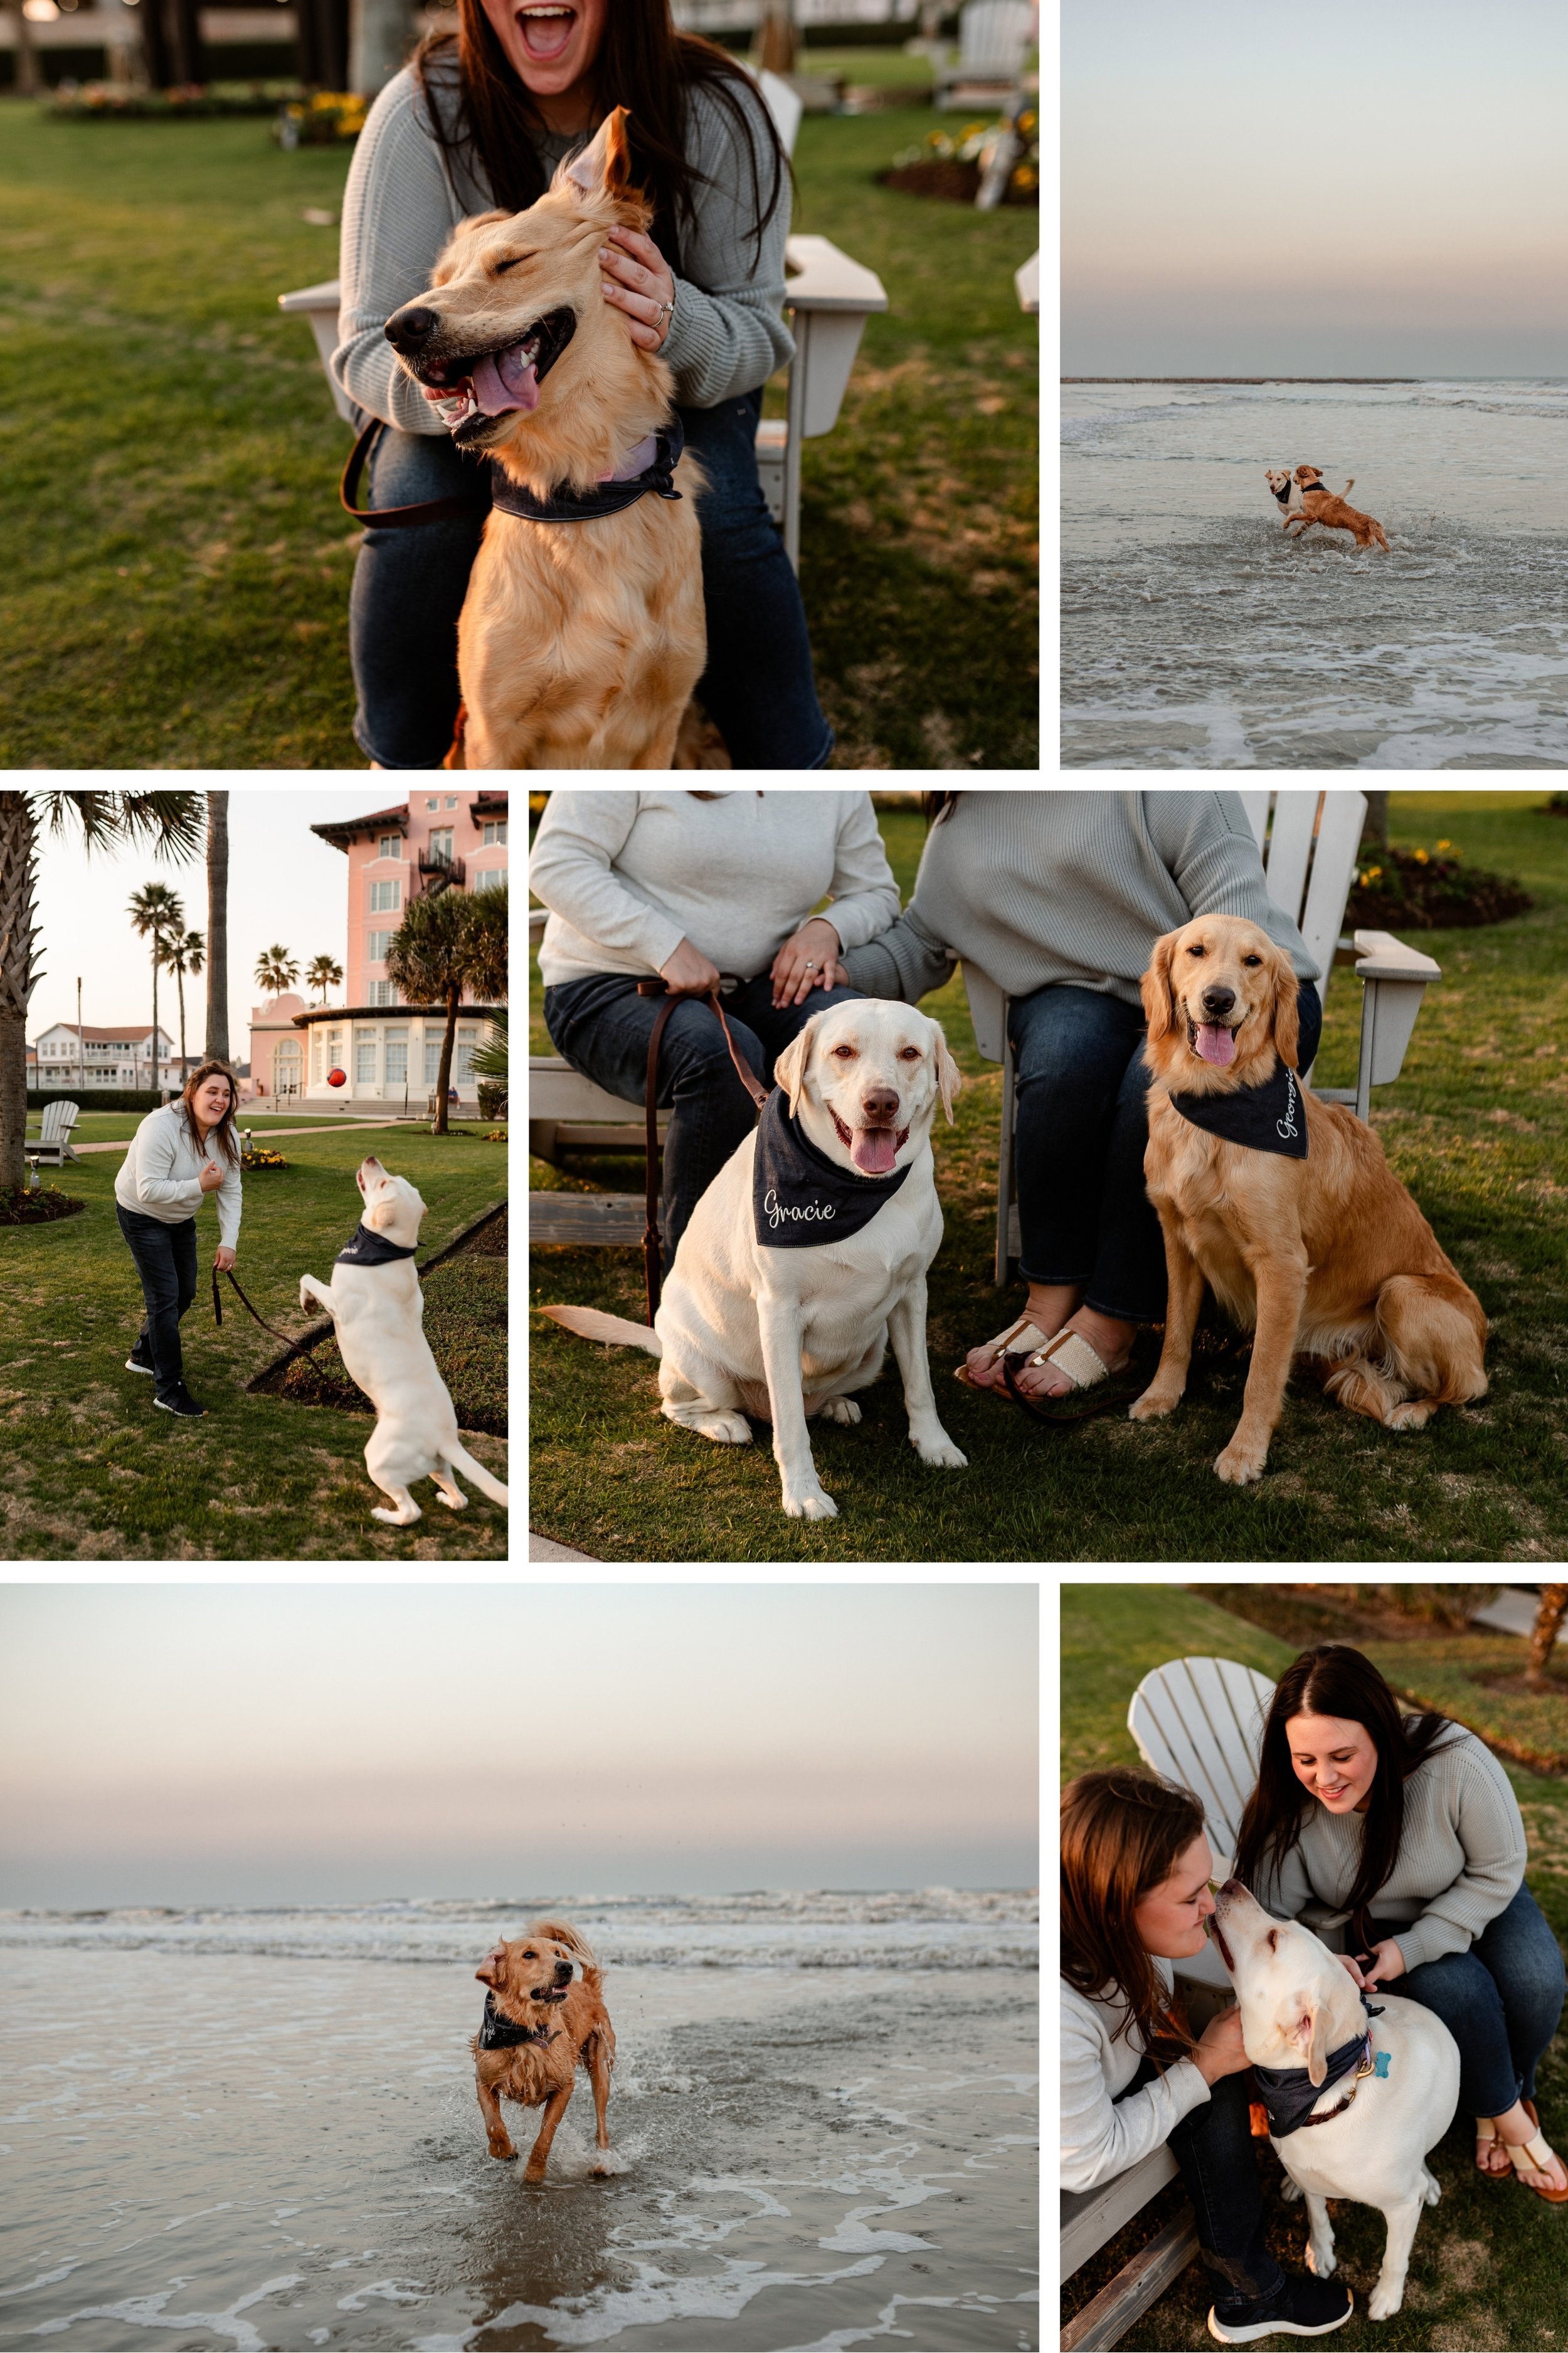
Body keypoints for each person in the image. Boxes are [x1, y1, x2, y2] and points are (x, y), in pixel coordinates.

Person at [334, 0, 832, 771]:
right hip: (458, 396)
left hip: (686, 381)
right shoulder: (418, 112)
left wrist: (673, 319)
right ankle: (398, 760)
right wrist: (469, 391)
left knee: (726, 511)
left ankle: (793, 764)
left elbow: (759, 334)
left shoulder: (716, 107)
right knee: (412, 507)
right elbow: (367, 340)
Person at [837, 790, 1322, 1413]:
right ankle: (1049, 1297)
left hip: (1235, 996)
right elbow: (921, 941)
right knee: (1062, 1064)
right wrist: (825, 966)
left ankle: (1113, 1319)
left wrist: (1187, 1008)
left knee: (1145, 1097)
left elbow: (1234, 929)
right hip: (1082, 996)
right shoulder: (965, 819)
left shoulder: (1165, 782)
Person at [1234, 1643, 1567, 2201]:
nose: (1324, 1778)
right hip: (1373, 1932)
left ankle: (1510, 2088)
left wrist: (1417, 1943)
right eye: (1305, 1759)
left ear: (1382, 1736)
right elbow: (1275, 1919)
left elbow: (1499, 1867)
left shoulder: (1456, 1762)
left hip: (1477, 1891)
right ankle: (1506, 2116)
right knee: (1457, 1990)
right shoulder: (1290, 1812)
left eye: (1342, 1755)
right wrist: (1332, 1953)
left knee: (1538, 1981)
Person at [531, 789, 898, 1262]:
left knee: (848, 1034)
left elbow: (876, 891)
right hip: (609, 985)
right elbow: (556, 862)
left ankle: (839, 1253)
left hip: (756, 986)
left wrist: (828, 928)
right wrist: (662, 944)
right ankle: (696, 1289)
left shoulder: (828, 783)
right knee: (721, 1056)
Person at [1062, 1768, 1353, 2343]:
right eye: (1190, 1895)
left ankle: (1243, 2290)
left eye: (1208, 1880)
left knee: (1211, 2082)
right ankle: (1250, 2293)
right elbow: (1085, 2160)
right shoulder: (1058, 2018)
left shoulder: (1116, 1932)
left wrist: (1316, 1980)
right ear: (1118, 1905)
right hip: (1061, 2152)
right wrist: (1205, 2066)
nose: (1212, 1902)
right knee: (1209, 2080)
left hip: (1103, 2083)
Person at [113, 1064, 243, 1420]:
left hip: (180, 1218)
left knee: (185, 1291)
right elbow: (148, 1189)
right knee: (164, 1298)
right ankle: (169, 1389)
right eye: (212, 1091)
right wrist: (198, 1186)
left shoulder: (226, 1135)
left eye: (226, 1094)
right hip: (141, 1214)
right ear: (193, 1092)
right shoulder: (160, 1126)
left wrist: (228, 1241)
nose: (219, 1100)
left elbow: (231, 1189)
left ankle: (143, 1355)